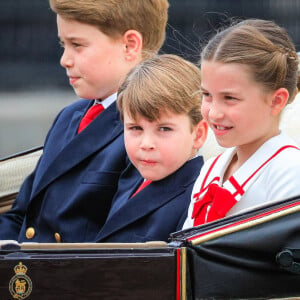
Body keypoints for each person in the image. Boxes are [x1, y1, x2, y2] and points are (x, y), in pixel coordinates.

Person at [0, 0, 169, 242]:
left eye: (77, 45)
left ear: (130, 45)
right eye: (63, 44)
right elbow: (21, 214)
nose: (64, 60)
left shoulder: (149, 132)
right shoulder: (70, 117)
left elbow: (120, 243)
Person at [183, 19, 300, 229]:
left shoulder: (290, 171)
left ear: (276, 101)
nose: (214, 113)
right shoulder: (211, 168)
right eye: (207, 95)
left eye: (230, 98)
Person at [94, 54, 207, 242]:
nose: (146, 144)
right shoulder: (132, 175)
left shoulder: (196, 200)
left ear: (198, 134)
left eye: (164, 129)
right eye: (135, 128)